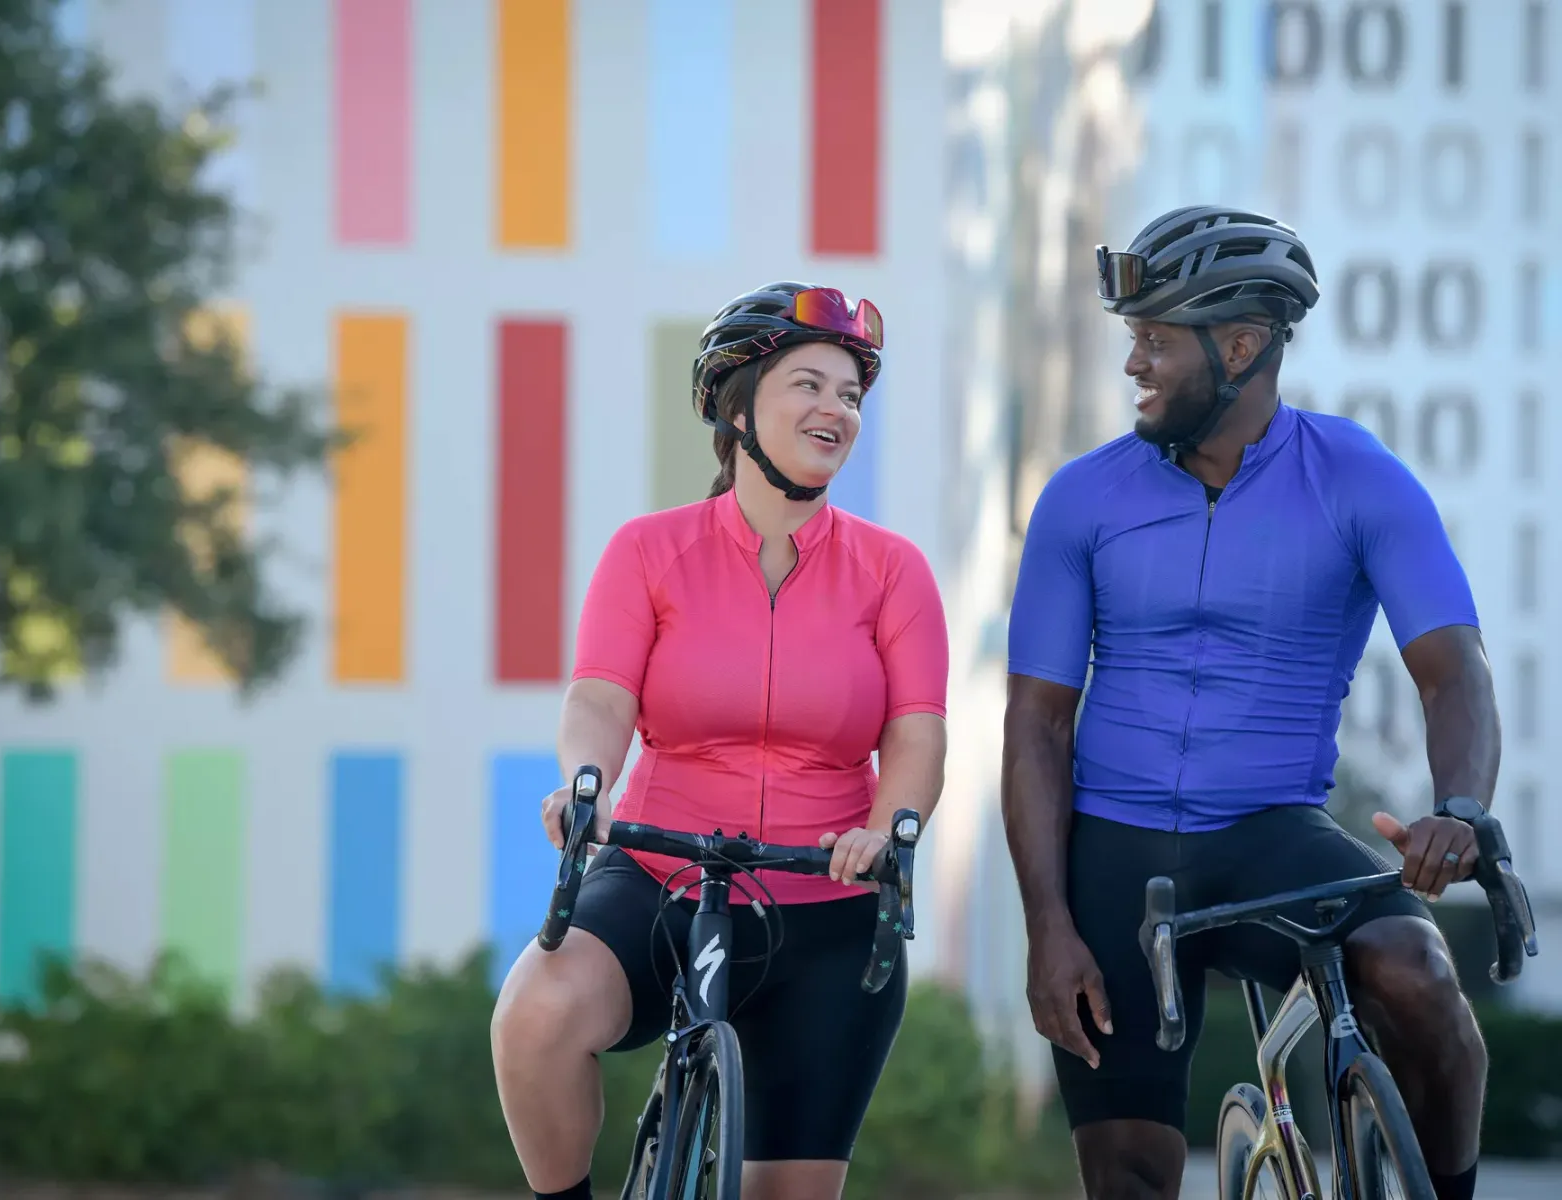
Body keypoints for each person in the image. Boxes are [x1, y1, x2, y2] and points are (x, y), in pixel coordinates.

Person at [1002, 206, 1498, 1200]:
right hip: (1115, 856)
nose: (1132, 364)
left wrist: (1461, 808)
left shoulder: (1357, 478)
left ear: (1240, 346)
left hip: (1271, 835)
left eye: (1154, 341)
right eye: (1130, 340)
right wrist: (1047, 925)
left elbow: (1454, 672)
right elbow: (1037, 727)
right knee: (1131, 1177)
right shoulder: (1081, 497)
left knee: (1418, 973)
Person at [491, 282, 950, 1200]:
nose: (836, 410)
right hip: (662, 874)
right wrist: (588, 783)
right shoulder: (649, 551)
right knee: (537, 1010)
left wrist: (888, 826)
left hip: (829, 900)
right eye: (809, 385)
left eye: (851, 395)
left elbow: (917, 736)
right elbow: (601, 696)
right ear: (738, 408)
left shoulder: (894, 571)